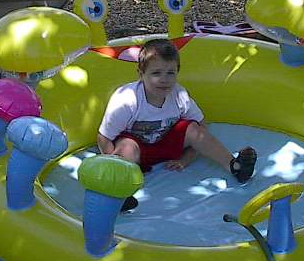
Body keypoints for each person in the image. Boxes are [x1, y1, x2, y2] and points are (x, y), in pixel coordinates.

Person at [97, 39, 257, 210]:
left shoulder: (179, 95)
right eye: (156, 73)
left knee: (193, 129)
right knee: (127, 146)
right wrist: (115, 168)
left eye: (170, 73)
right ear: (141, 74)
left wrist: (187, 158)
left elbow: (201, 127)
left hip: (167, 146)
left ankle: (235, 166)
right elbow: (104, 137)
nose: (164, 80)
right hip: (137, 151)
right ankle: (118, 188)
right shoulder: (127, 99)